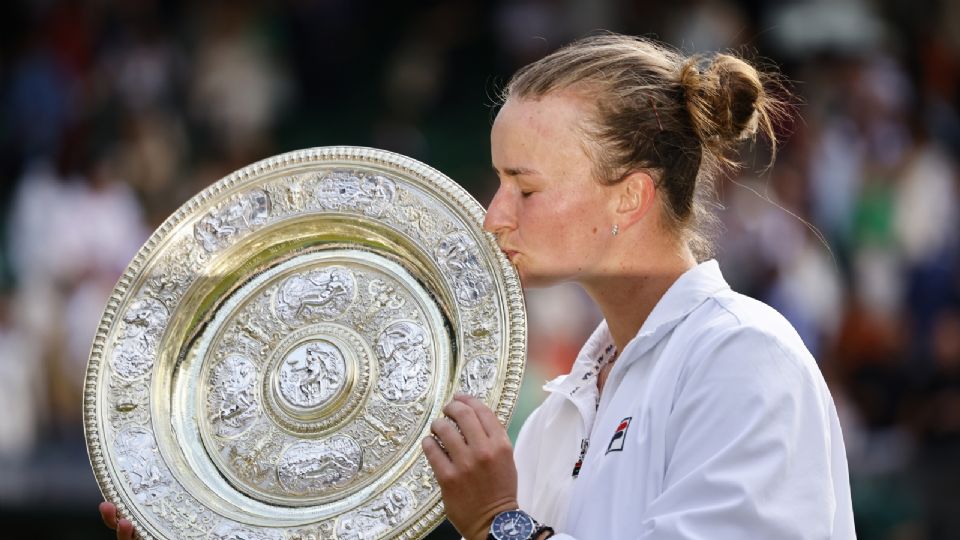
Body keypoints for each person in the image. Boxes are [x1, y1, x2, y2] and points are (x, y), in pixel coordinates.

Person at [101, 33, 856, 540]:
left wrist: (500, 521)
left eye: (523, 188)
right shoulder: (554, 416)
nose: (492, 217)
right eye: (498, 183)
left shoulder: (744, 360)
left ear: (629, 197)